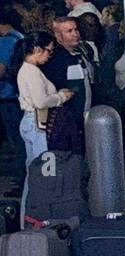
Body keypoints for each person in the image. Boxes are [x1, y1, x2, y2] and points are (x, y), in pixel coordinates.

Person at [15, 33, 73, 219]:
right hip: (38, 122)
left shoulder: (27, 70)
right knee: (42, 172)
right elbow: (41, 101)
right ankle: (41, 215)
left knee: (33, 172)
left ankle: (30, 216)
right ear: (37, 49)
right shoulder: (31, 72)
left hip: (31, 122)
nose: (50, 55)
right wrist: (61, 97)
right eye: (49, 50)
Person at [43, 16, 98, 153]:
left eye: (76, 29)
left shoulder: (84, 52)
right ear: (58, 36)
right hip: (69, 120)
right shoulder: (55, 60)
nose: (75, 34)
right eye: (69, 31)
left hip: (87, 116)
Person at [0, 7, 25, 173]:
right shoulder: (20, 37)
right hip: (19, 94)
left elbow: (1, 69)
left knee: (16, 140)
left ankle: (21, 177)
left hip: (7, 95)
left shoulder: (4, 42)